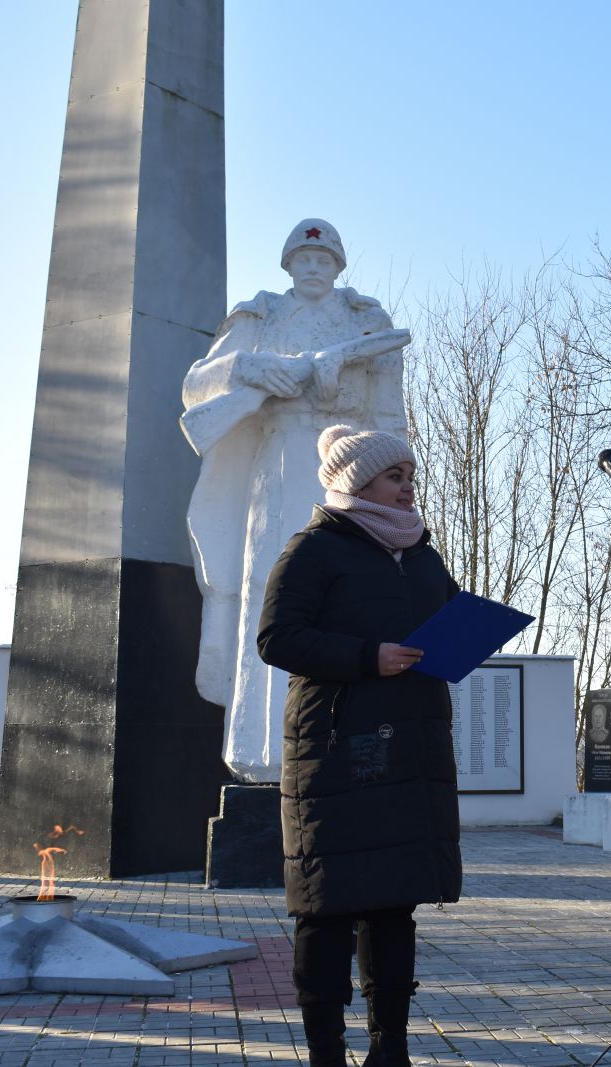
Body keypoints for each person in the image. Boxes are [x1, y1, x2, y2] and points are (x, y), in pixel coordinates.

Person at [256, 425, 461, 1067]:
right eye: (394, 476)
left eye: (410, 476)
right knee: (328, 907)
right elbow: (278, 638)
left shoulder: (422, 554)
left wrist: (463, 639)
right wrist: (366, 657)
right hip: (337, 751)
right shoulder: (314, 549)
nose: (408, 488)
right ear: (356, 481)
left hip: (410, 746)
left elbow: (443, 617)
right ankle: (325, 1053)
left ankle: (389, 1049)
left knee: (394, 904)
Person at [183, 218, 412, 782]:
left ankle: (347, 742)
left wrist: (398, 475)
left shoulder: (366, 321)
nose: (314, 268)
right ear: (288, 264)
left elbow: (388, 412)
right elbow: (196, 387)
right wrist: (250, 367)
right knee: (273, 588)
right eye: (304, 260)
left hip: (352, 466)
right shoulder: (260, 314)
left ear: (339, 265)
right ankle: (264, 750)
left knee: (352, 596)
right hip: (281, 459)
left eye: (325, 260)